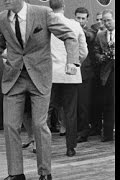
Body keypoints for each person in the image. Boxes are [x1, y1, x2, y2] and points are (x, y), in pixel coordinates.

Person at [0, 0, 80, 179]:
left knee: (39, 124)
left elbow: (69, 36)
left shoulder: (43, 13)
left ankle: (45, 173)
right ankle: (16, 174)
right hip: (14, 77)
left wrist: (71, 60)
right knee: (10, 125)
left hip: (39, 76)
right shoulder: (1, 18)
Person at [50, 1, 88, 157]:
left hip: (50, 74)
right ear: (63, 6)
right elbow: (83, 51)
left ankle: (40, 145)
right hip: (70, 75)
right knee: (70, 112)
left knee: (44, 112)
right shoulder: (74, 25)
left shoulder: (47, 23)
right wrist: (75, 64)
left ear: (50, 7)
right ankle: (71, 147)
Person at [74, 7, 96, 143]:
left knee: (83, 105)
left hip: (85, 74)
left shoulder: (90, 31)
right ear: (75, 17)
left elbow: (90, 35)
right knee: (73, 105)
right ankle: (76, 131)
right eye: (78, 18)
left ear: (87, 19)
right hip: (71, 71)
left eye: (83, 18)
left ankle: (83, 132)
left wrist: (75, 28)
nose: (80, 20)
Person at [93, 9, 115, 142]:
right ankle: (107, 134)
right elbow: (95, 51)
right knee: (108, 102)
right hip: (107, 73)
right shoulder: (100, 35)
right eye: (104, 20)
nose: (106, 23)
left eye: (108, 20)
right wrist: (100, 57)